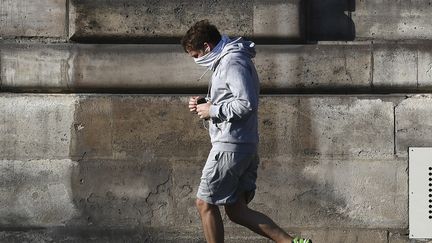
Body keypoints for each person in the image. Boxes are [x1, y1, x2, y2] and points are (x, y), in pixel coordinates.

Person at [181, 20, 312, 243]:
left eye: (196, 55)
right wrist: (207, 102)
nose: (196, 60)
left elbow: (246, 103)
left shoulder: (232, 61)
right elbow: (234, 98)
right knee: (236, 210)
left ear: (207, 47)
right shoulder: (229, 59)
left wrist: (213, 110)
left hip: (231, 146)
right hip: (241, 144)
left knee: (204, 203)